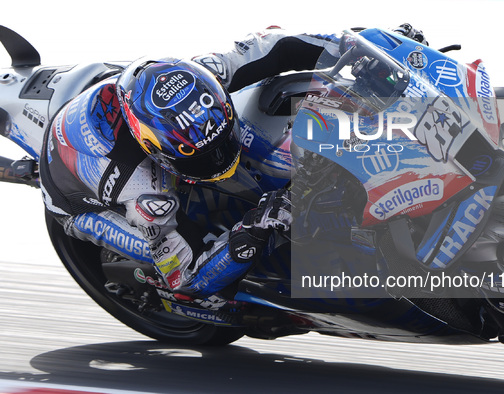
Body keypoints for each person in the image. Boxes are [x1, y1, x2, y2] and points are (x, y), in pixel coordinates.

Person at [39, 25, 428, 301]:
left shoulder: (206, 72)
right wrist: (255, 228)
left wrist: (361, 49)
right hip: (79, 201)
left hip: (145, 115)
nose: (222, 161)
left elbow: (277, 44)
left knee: (281, 166)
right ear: (151, 148)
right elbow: (184, 278)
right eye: (203, 156)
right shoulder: (142, 188)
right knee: (164, 259)